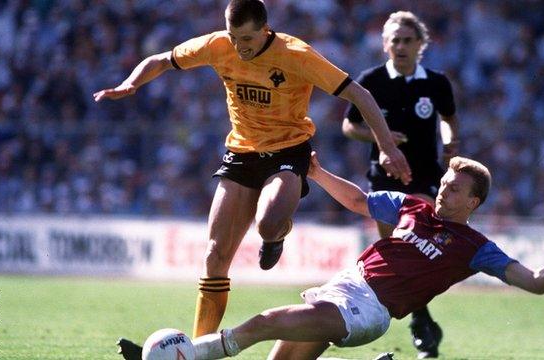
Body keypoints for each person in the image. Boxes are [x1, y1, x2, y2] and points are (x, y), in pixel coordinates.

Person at [95, 0, 411, 355]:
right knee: (215, 256)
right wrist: (130, 84)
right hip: (242, 154)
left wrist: (387, 147)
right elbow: (161, 60)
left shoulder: (295, 54)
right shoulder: (218, 45)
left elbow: (359, 93)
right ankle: (199, 351)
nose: (239, 46)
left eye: (246, 38)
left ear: (265, 30)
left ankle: (275, 234)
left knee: (269, 222)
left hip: (289, 152)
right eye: (233, 36)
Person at [144, 152, 544, 360]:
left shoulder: (475, 248)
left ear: (473, 203)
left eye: (455, 189)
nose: (443, 190)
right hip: (343, 285)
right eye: (445, 182)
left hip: (367, 310)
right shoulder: (412, 206)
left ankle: (187, 355)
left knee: (264, 321)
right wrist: (320, 172)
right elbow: (356, 201)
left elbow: (533, 280)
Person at [341, 11, 458, 358]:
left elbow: (449, 119)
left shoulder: (436, 83)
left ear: (421, 44)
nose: (401, 46)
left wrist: (451, 142)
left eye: (408, 40)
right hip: (383, 177)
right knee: (397, 251)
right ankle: (422, 320)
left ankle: (420, 323)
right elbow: (349, 126)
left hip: (424, 175)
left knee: (415, 242)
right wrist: (381, 138)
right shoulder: (371, 81)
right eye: (395, 40)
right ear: (385, 44)